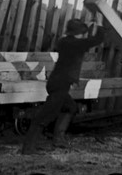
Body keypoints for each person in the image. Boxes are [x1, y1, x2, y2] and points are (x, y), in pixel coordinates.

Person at [22, 18, 106, 155]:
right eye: (82, 32)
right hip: (61, 85)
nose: (83, 35)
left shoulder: (63, 42)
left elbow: (86, 40)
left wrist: (89, 27)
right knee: (43, 117)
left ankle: (58, 139)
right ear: (78, 33)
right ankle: (28, 148)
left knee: (70, 107)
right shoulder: (76, 44)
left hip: (56, 83)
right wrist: (99, 25)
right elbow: (97, 39)